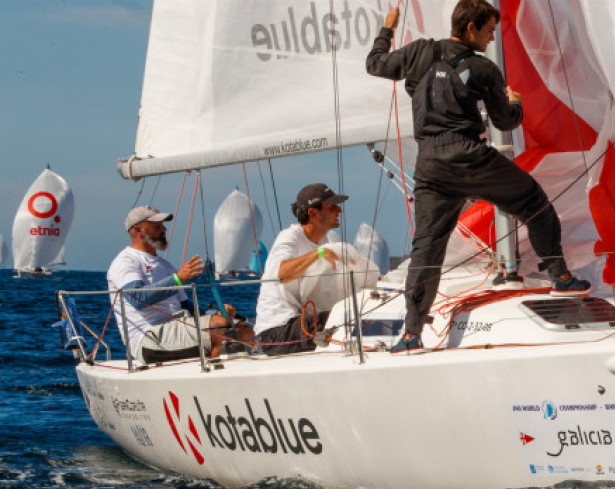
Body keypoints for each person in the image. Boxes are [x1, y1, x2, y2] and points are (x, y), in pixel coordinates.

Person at [366, 0, 590, 354]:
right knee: (533, 202)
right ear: (470, 28)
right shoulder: (484, 68)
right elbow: (504, 122)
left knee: (427, 248)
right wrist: (515, 103)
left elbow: (375, 64)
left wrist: (388, 28)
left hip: (430, 164)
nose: (491, 36)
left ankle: (411, 335)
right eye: (488, 30)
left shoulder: (418, 51)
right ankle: (560, 277)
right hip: (467, 156)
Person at [107, 206, 255, 363]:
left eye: (163, 225)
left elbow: (186, 307)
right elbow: (136, 298)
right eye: (157, 225)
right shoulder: (126, 261)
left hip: (178, 326)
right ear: (138, 230)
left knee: (243, 330)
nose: (164, 229)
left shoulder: (165, 265)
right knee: (221, 329)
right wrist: (177, 279)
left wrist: (215, 314)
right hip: (150, 337)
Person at [254, 183, 347, 356]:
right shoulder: (289, 238)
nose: (339, 210)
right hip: (275, 333)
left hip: (298, 325)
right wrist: (317, 254)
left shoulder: (323, 240)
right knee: (339, 320)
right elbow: (282, 274)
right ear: (313, 213)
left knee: (349, 313)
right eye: (332, 206)